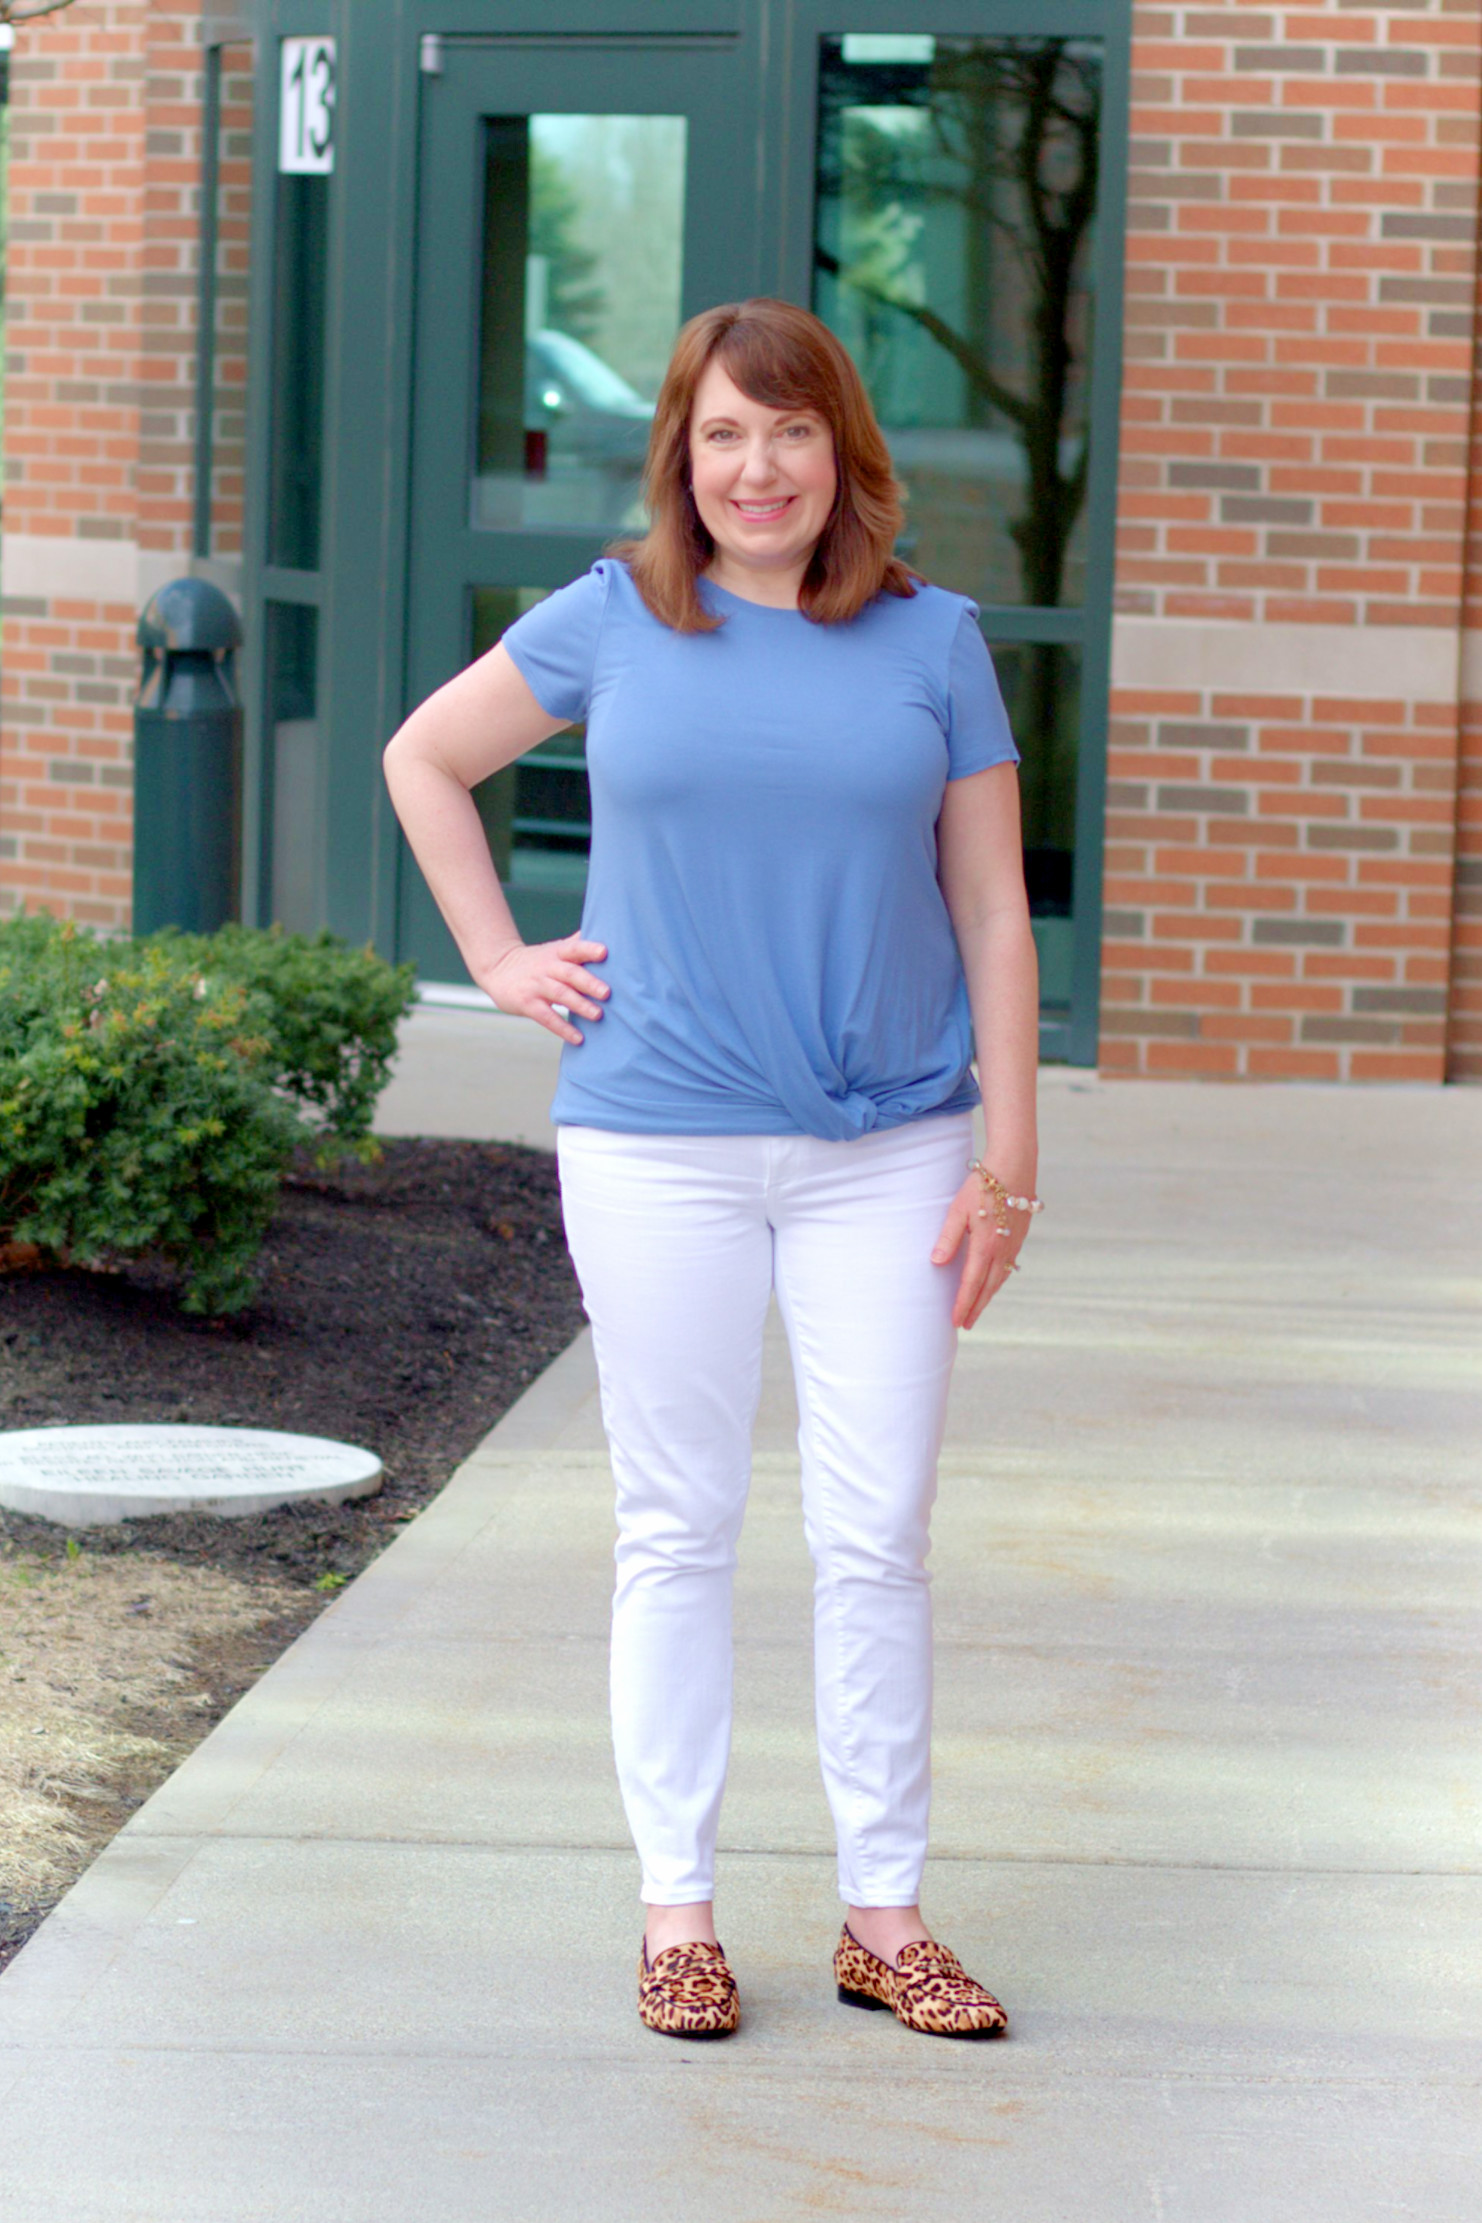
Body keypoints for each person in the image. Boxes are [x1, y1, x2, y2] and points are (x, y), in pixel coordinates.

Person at [383, 297, 1040, 2044]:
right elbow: (425, 760)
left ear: (843, 455)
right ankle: (678, 1911)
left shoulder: (936, 642)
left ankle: (879, 1913)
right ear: (681, 453)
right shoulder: (614, 620)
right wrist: (502, 957)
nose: (758, 468)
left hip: (889, 1143)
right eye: (723, 434)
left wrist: (1010, 1159)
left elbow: (989, 904)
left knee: (875, 1532)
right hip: (655, 1137)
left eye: (792, 432)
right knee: (673, 1527)